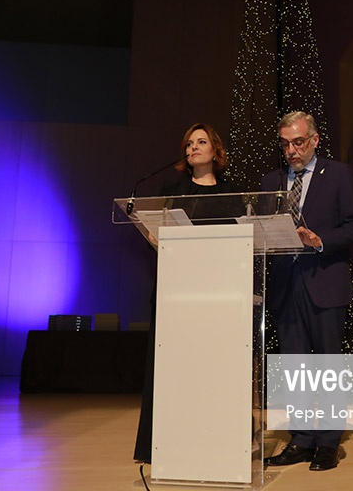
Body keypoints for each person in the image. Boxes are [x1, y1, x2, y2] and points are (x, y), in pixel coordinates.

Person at [260, 111, 353, 471]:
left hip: (325, 283)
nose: (291, 150)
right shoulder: (271, 181)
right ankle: (302, 439)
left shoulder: (338, 174)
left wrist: (321, 240)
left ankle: (328, 442)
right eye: (285, 144)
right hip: (284, 286)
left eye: (298, 142)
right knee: (295, 368)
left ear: (315, 140)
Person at [133, 122, 236, 464]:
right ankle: (162, 443)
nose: (193, 147)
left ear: (215, 150)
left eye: (201, 142)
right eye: (189, 143)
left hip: (215, 296)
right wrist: (152, 236)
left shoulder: (231, 194)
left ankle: (211, 441)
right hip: (175, 293)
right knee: (170, 373)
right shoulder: (174, 188)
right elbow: (159, 238)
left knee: (209, 373)